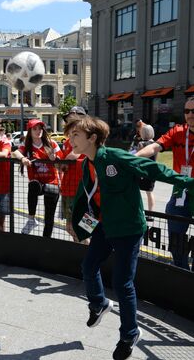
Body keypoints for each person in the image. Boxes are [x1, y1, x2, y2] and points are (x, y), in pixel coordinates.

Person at [65, 115, 194, 360]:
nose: (70, 140)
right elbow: (89, 198)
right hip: (105, 226)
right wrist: (79, 225)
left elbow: (152, 168)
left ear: (92, 138)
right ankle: (99, 304)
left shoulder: (114, 156)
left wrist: (187, 182)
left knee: (123, 284)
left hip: (128, 228)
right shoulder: (86, 164)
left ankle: (129, 334)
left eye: (75, 135)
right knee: (89, 266)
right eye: (70, 135)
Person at [136, 96, 194, 270]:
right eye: (186, 111)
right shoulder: (177, 132)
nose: (190, 114)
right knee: (176, 237)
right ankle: (181, 271)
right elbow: (155, 146)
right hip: (180, 189)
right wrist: (134, 157)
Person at [14, 119, 63, 237]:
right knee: (33, 185)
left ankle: (46, 241)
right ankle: (31, 219)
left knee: (49, 217)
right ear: (29, 131)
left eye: (40, 128)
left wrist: (54, 159)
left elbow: (61, 166)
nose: (38, 131)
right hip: (38, 184)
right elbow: (14, 152)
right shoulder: (27, 145)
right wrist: (23, 159)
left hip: (52, 182)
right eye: (35, 129)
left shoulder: (52, 144)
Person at [60, 106, 88, 243]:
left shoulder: (90, 140)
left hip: (86, 192)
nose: (70, 124)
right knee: (70, 227)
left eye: (74, 120)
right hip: (68, 189)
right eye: (69, 121)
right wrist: (61, 163)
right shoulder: (66, 142)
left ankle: (88, 252)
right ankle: (83, 252)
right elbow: (62, 166)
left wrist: (72, 158)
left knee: (85, 227)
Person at [136, 124, 157, 220]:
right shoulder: (155, 144)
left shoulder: (141, 144)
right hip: (152, 170)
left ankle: (138, 211)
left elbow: (137, 158)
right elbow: (155, 159)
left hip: (142, 170)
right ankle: (151, 214)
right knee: (150, 192)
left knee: (137, 191)